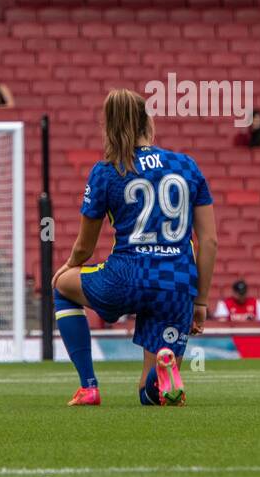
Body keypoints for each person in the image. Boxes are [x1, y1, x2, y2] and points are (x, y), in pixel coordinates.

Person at [50, 88, 217, 407]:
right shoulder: (186, 166)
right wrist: (201, 300)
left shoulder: (106, 171)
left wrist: (67, 266)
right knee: (148, 395)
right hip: (177, 283)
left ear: (109, 128)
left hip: (126, 277)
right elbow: (208, 241)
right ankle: (159, 377)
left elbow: (85, 246)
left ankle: (89, 387)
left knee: (62, 287)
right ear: (148, 123)